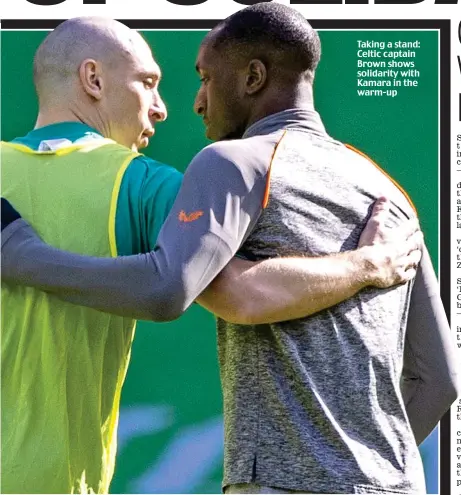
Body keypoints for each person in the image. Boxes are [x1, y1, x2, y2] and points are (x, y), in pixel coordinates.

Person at [0, 16, 425, 495]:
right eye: (148, 83)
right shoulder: (147, 186)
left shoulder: (201, 173)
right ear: (94, 80)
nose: (165, 108)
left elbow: (197, 288)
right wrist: (366, 266)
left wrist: (22, 254)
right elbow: (440, 380)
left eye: (201, 80)